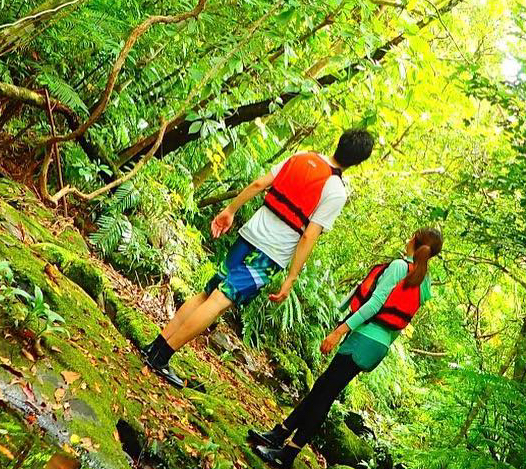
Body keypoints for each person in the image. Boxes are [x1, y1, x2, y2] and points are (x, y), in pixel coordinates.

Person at [141, 129, 375, 389]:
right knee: (220, 300)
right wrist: (291, 277)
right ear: (357, 162)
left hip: (251, 232)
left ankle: (156, 346)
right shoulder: (336, 191)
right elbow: (309, 235)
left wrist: (230, 210)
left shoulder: (301, 156)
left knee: (208, 292)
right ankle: (161, 358)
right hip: (272, 252)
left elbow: (259, 184)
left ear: (339, 141)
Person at [248, 227, 443, 469]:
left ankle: (287, 455)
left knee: (325, 394)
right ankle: (279, 434)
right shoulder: (424, 282)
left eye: (410, 236)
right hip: (378, 344)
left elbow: (374, 304)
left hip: (364, 336)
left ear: (414, 241)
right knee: (323, 387)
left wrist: (339, 331)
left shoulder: (399, 268)